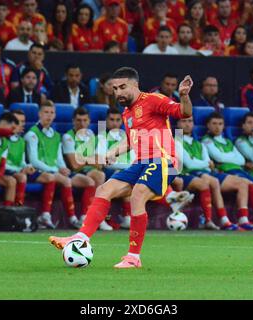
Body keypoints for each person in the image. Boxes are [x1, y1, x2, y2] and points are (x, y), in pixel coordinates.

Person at [49, 67, 194, 268]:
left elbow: (184, 112)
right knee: (104, 189)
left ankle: (133, 257)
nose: (118, 92)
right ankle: (79, 238)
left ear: (135, 85)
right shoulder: (127, 113)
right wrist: (111, 153)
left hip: (164, 160)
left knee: (137, 195)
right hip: (141, 163)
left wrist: (184, 96)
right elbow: (130, 141)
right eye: (115, 88)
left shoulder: (154, 99)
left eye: (123, 87)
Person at [175, 116, 239, 231]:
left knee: (213, 181)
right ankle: (216, 220)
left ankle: (219, 220)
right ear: (178, 124)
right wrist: (205, 164)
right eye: (183, 121)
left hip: (199, 173)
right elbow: (190, 165)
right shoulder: (177, 139)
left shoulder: (197, 143)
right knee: (207, 182)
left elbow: (209, 165)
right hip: (183, 174)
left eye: (190, 121)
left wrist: (204, 164)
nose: (187, 124)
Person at [62, 107, 113, 231]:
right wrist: (90, 159)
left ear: (89, 121)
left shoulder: (91, 135)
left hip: (86, 170)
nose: (82, 123)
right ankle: (87, 216)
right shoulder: (68, 137)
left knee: (100, 175)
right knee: (96, 177)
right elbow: (74, 165)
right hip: (73, 173)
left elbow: (99, 162)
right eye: (79, 120)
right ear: (73, 121)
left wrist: (84, 159)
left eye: (85, 120)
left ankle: (95, 216)